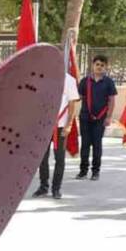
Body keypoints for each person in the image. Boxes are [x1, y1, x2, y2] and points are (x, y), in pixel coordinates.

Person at [36, 70, 80, 199]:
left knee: (59, 158)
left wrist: (69, 125)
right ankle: (43, 186)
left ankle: (56, 188)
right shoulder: (42, 76)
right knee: (42, 158)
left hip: (60, 126)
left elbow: (72, 104)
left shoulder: (68, 80)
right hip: (44, 126)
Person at [77, 54, 117, 181]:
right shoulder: (85, 81)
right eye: (97, 64)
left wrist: (109, 117)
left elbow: (111, 101)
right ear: (93, 66)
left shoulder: (109, 82)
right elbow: (79, 97)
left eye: (102, 65)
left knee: (97, 145)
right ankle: (83, 171)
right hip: (85, 118)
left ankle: (95, 172)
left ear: (105, 67)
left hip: (100, 119)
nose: (99, 67)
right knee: (84, 144)